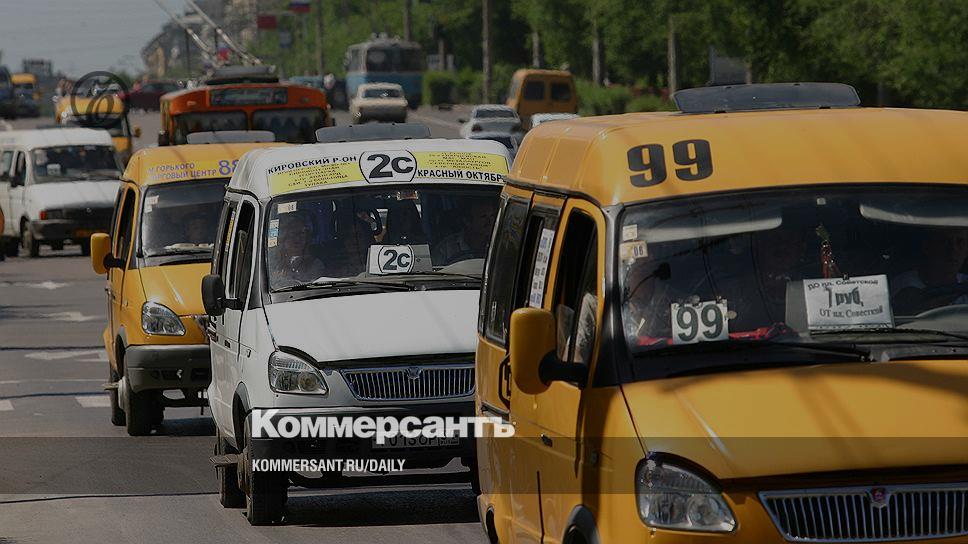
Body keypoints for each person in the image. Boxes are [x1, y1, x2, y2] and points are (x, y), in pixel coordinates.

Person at [892, 228, 968, 315]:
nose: (953, 250)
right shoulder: (903, 284)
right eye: (944, 241)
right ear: (927, 247)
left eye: (960, 242)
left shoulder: (965, 282)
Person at [269, 211, 326, 287]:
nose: (298, 238)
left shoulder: (315, 265)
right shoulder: (273, 263)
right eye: (293, 234)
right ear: (283, 238)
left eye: (302, 234)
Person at [431, 200, 497, 265]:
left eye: (492, 216)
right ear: (467, 221)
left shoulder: (499, 245)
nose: (490, 221)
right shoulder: (446, 248)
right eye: (483, 217)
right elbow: (434, 272)